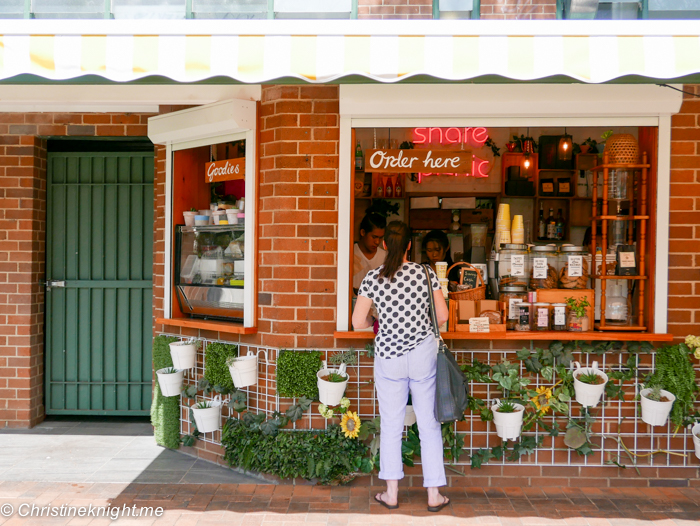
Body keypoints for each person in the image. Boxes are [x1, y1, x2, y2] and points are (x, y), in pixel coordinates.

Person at [352, 221, 451, 513]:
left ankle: (391, 493)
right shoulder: (425, 273)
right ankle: (434, 494)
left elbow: (358, 323)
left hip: (390, 358)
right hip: (422, 356)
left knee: (392, 425)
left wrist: (374, 322)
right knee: (429, 425)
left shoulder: (372, 278)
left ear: (385, 245)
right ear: (410, 245)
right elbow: (442, 316)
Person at [353, 213, 387, 293]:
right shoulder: (350, 254)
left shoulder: (385, 257)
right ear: (363, 232)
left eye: (381, 237)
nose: (377, 242)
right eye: (374, 237)